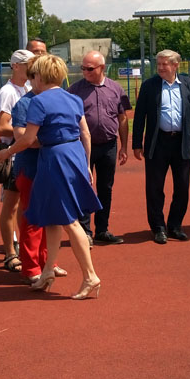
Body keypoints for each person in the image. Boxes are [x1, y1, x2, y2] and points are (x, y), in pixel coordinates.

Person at [0, 54, 102, 300]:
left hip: (55, 159)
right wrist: (86, 164)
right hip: (73, 155)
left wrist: (6, 152)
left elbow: (27, 139)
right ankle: (47, 271)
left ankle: (90, 276)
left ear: (40, 77)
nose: (31, 80)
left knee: (69, 221)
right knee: (54, 220)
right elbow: (85, 134)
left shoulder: (39, 102)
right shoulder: (74, 98)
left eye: (33, 76)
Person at [131, 49, 190, 244]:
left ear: (175, 65)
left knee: (182, 187)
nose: (161, 67)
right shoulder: (149, 86)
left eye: (165, 64)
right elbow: (139, 117)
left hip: (182, 142)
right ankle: (158, 228)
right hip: (158, 143)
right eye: (159, 64)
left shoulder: (189, 84)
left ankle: (175, 225)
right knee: (154, 188)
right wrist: (137, 144)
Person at [68, 50, 130, 245]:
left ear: (102, 68)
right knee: (84, 187)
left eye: (89, 68)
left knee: (106, 188)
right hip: (82, 147)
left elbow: (122, 119)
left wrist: (124, 147)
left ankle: (102, 229)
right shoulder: (74, 90)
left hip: (109, 145)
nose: (85, 72)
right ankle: (85, 232)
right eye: (83, 68)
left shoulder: (116, 88)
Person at [0, 49, 33, 273]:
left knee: (24, 205)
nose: (32, 68)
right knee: (11, 206)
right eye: (28, 64)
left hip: (24, 152)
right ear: (16, 66)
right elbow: (1, 127)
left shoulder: (27, 88)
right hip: (13, 153)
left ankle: (24, 249)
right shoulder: (8, 92)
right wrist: (28, 132)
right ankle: (10, 253)